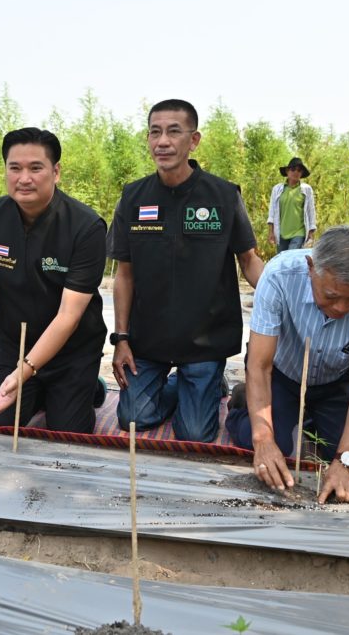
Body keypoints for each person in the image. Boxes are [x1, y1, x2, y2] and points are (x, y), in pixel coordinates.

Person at [107, 99, 263, 442]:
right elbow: (124, 274)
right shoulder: (133, 198)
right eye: (155, 132)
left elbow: (249, 261)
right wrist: (121, 338)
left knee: (194, 433)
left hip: (204, 341)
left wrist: (283, 298)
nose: (162, 141)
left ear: (193, 140)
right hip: (148, 339)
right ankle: (187, 386)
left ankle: (206, 383)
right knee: (133, 418)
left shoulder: (223, 195)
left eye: (173, 132)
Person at [225, 226, 349, 502]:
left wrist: (345, 461)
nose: (342, 308)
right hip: (282, 374)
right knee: (269, 444)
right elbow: (260, 365)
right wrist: (263, 440)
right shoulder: (279, 275)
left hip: (337, 380)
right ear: (311, 267)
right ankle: (240, 404)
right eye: (331, 296)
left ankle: (309, 416)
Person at [0, 127, 107, 433]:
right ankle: (38, 393)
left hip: (71, 351)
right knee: (0, 425)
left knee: (67, 432)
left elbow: (68, 316)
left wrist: (24, 374)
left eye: (36, 168)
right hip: (14, 344)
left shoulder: (85, 227)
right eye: (15, 168)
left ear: (55, 171)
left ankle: (88, 388)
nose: (24, 178)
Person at [268, 157, 317, 253]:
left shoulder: (306, 189)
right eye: (293, 169)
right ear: (287, 171)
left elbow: (311, 211)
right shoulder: (277, 189)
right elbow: (272, 211)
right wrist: (271, 232)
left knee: (290, 257)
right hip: (281, 233)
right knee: (282, 262)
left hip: (299, 232)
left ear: (301, 174)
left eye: (299, 170)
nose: (296, 172)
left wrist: (311, 233)